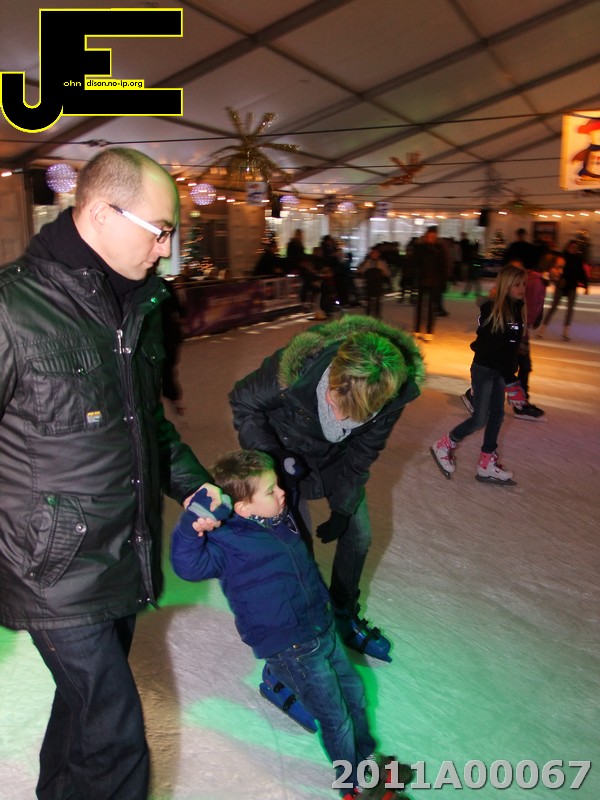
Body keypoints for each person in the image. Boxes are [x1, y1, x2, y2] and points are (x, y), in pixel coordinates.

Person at [0, 146, 223, 800]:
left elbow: (142, 423)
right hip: (50, 567)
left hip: (122, 551)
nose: (166, 250)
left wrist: (194, 484)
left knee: (86, 716)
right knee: (115, 733)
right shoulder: (12, 309)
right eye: (160, 231)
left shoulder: (136, 307)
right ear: (100, 213)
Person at [170, 449, 413, 799]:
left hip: (321, 627)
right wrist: (191, 524)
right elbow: (187, 566)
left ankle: (366, 760)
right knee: (335, 718)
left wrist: (292, 479)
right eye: (271, 490)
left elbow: (302, 566)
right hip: (292, 646)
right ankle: (354, 785)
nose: (281, 492)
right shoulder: (227, 542)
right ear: (243, 507)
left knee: (355, 696)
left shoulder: (278, 521)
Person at [229, 315, 425, 660]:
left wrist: (343, 508)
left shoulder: (389, 391)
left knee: (359, 534)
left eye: (354, 416)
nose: (340, 419)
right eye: (336, 405)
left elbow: (363, 452)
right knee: (296, 548)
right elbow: (243, 402)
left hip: (334, 460)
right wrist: (275, 457)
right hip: (283, 451)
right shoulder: (294, 370)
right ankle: (301, 635)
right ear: (332, 377)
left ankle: (343, 613)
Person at [431, 264, 528, 485]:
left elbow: (509, 350)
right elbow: (493, 350)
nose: (522, 288)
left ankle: (486, 463)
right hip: (485, 370)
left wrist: (513, 375)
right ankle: (445, 444)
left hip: (500, 371)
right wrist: (511, 380)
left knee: (498, 416)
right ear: (506, 286)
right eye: (517, 284)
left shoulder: (516, 310)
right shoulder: (494, 311)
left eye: (523, 284)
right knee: (479, 419)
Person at [538, 239, 589, 341]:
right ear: (568, 247)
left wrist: (585, 285)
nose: (574, 249)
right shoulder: (562, 257)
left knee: (570, 310)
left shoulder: (578, 259)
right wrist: (557, 280)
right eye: (572, 247)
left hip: (572, 286)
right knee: (553, 307)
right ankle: (542, 329)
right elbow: (554, 270)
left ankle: (566, 332)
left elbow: (581, 272)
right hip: (561, 285)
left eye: (576, 248)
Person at [412, 226, 448, 341]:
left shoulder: (440, 250)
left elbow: (444, 266)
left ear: (436, 237)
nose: (430, 239)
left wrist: (443, 281)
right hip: (422, 280)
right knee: (419, 306)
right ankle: (417, 329)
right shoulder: (420, 248)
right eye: (429, 236)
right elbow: (415, 264)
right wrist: (415, 277)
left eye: (433, 237)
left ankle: (429, 331)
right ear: (426, 236)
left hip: (434, 282)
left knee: (432, 307)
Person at [356, 245, 391, 318]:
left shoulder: (382, 262)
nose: (374, 254)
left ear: (379, 254)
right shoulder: (367, 262)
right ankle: (368, 313)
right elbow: (360, 270)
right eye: (373, 253)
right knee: (369, 299)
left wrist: (382, 273)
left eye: (376, 253)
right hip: (369, 283)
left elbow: (387, 273)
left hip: (378, 283)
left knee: (377, 300)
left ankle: (377, 314)